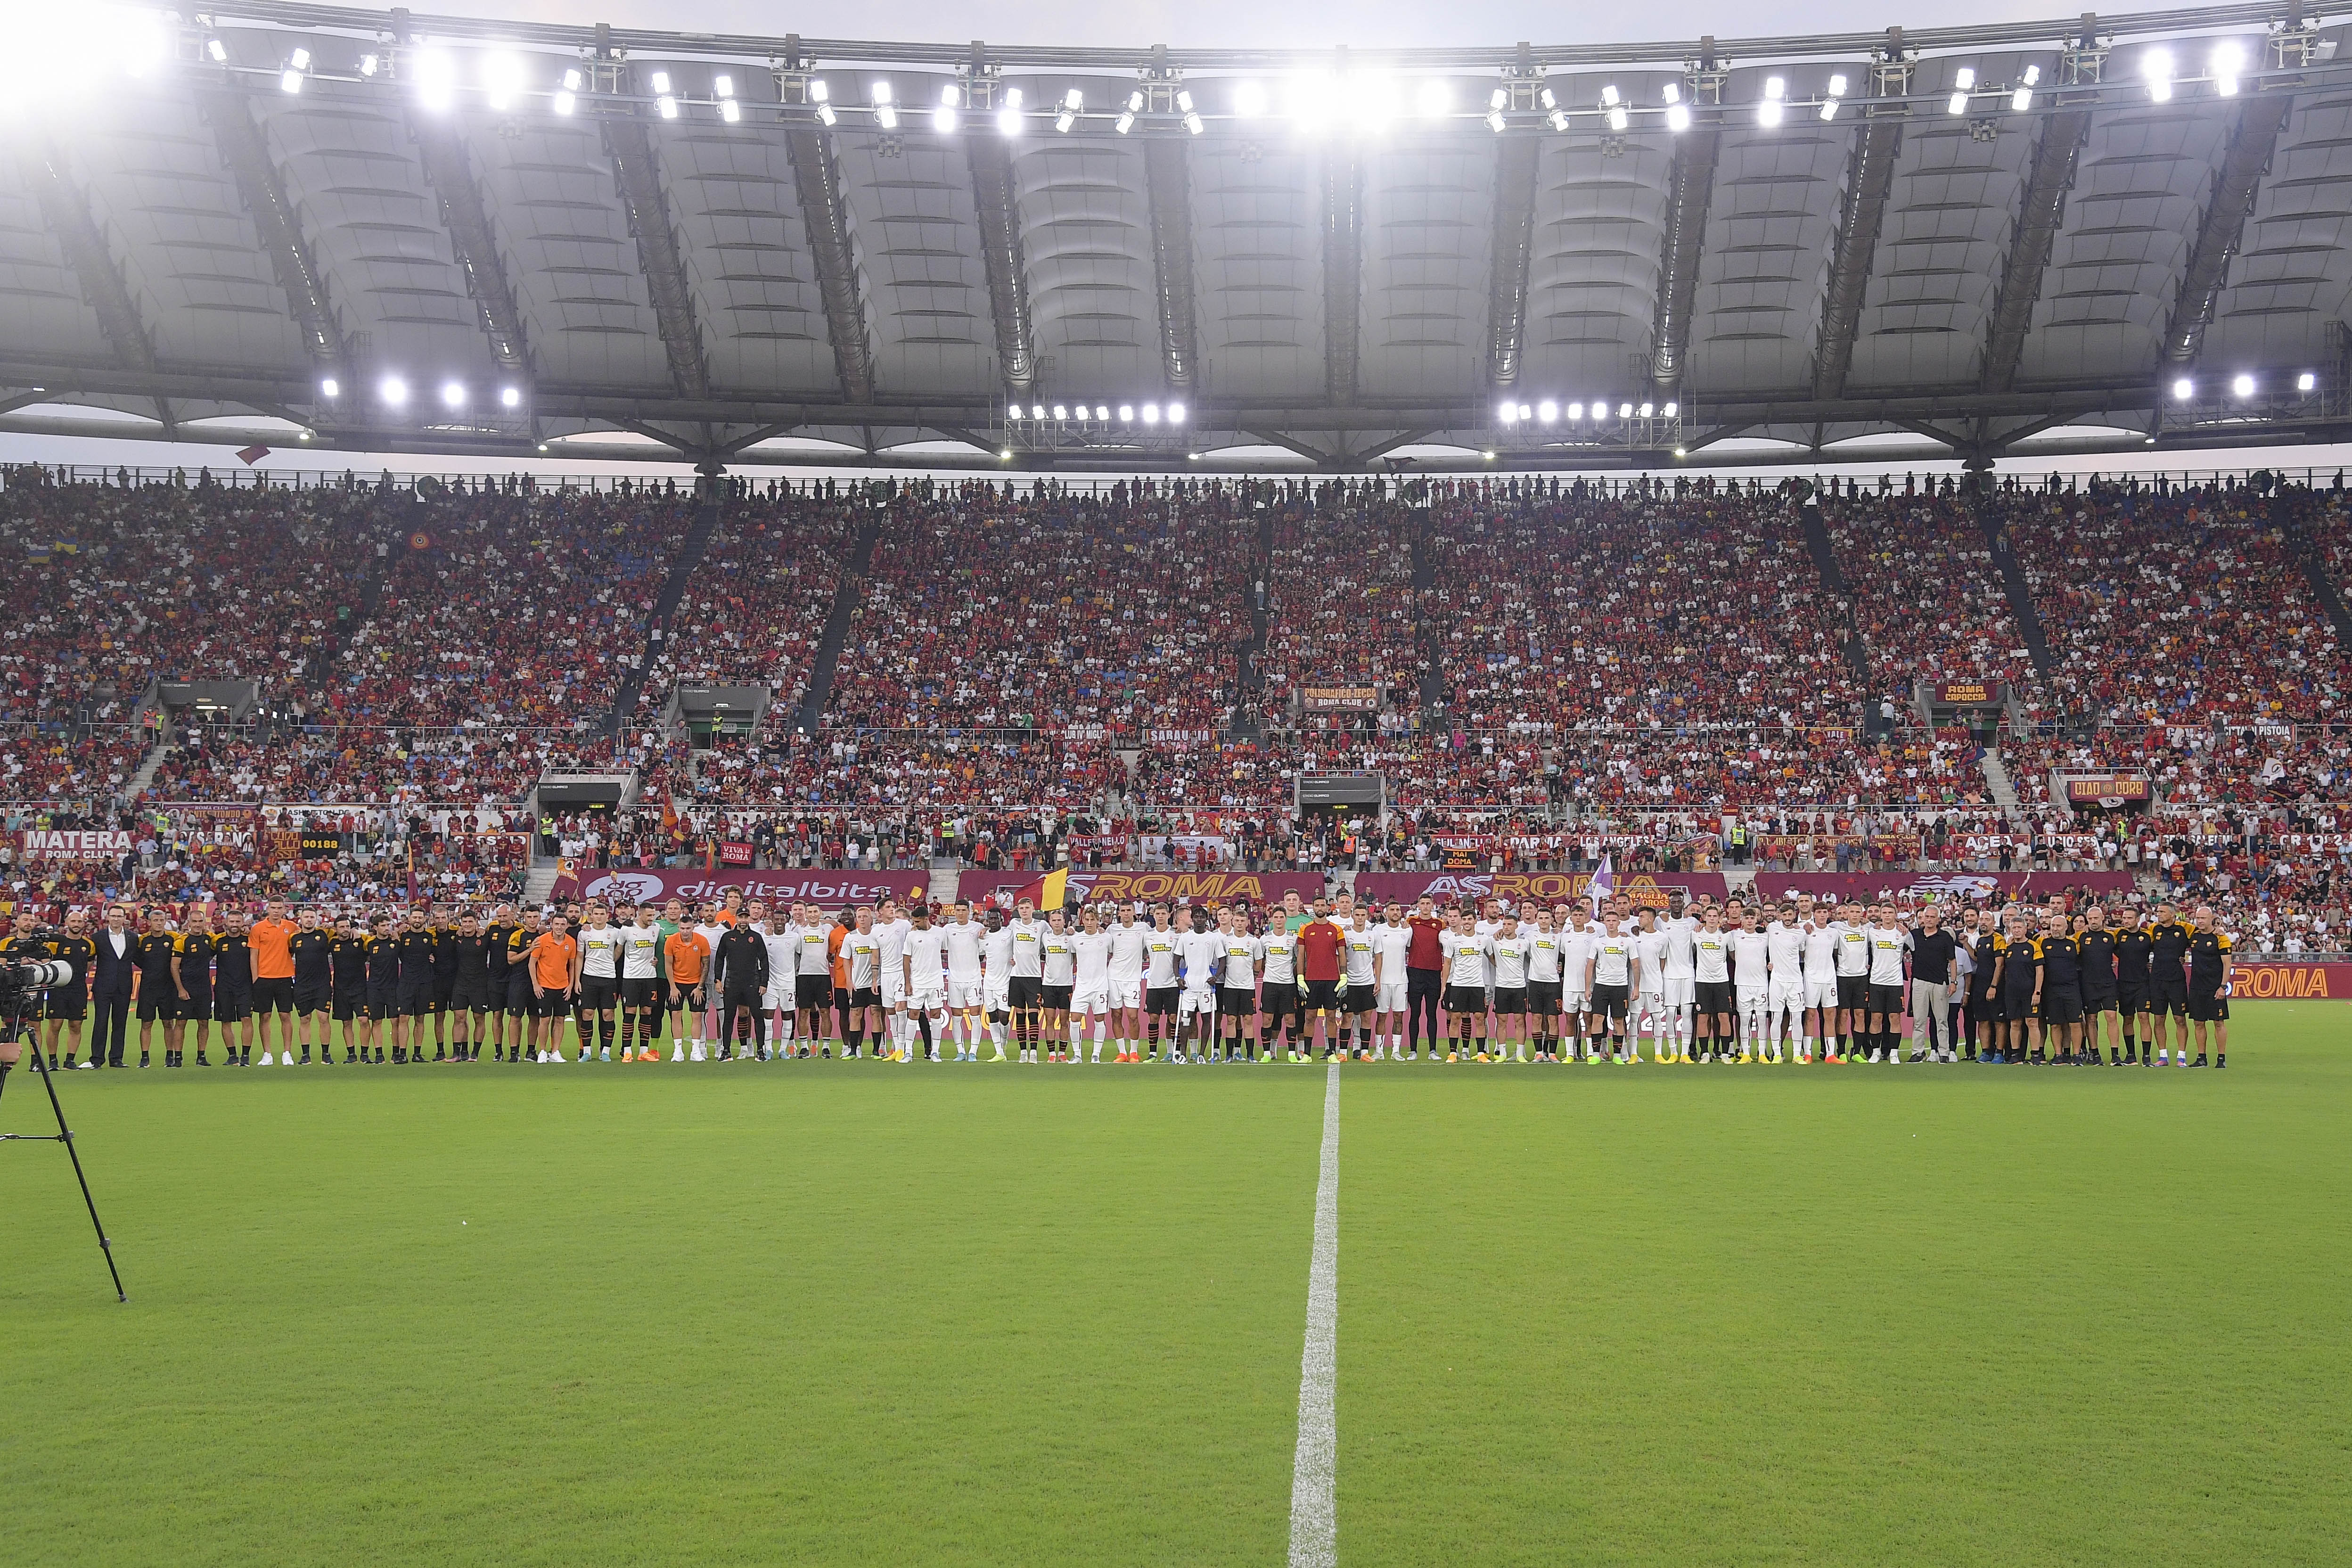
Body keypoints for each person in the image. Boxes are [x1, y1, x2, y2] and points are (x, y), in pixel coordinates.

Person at [712, 913, 769, 1061]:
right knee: (729, 1018)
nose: (743, 921)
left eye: (746, 918)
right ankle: (726, 1051)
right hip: (732, 984)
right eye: (741, 918)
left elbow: (764, 960)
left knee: (758, 1017)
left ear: (749, 919)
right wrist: (718, 980)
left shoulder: (756, 937)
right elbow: (719, 958)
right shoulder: (728, 937)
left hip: (753, 983)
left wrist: (764, 983)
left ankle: (761, 1051)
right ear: (736, 919)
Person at [43, 909, 94, 1071]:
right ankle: (53, 1061)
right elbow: (46, 962)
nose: (76, 924)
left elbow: (88, 966)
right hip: (59, 989)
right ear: (66, 923)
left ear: (84, 924)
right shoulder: (56, 942)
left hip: (78, 989)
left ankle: (70, 1060)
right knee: (56, 1024)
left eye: (79, 922)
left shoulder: (89, 944)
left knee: (76, 1025)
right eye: (73, 921)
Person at [249, 898, 299, 1064]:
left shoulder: (291, 927)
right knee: (265, 1016)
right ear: (267, 909)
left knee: (286, 1015)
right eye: (273, 908)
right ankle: (267, 1054)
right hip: (264, 978)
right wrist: (256, 979)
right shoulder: (258, 929)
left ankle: (287, 1053)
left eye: (279, 908)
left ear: (284, 909)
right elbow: (253, 955)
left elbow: (306, 936)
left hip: (284, 977)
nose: (276, 911)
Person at [1439, 908, 1492, 1062]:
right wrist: (1444, 986)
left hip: (1477, 985)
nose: (1467, 922)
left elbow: (1492, 958)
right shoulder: (1453, 941)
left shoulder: (1484, 940)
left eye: (1470, 919)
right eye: (1465, 920)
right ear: (1461, 922)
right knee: (1455, 1018)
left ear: (1475, 921)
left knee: (1479, 1018)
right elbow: (1447, 964)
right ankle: (1453, 1053)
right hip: (1458, 984)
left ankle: (1481, 1053)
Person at [88, 904, 136, 1069]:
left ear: (125, 918)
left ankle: (116, 1058)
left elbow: (139, 959)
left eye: (119, 916)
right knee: (101, 1022)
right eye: (113, 916)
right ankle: (97, 1059)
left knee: (120, 1023)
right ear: (107, 917)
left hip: (124, 986)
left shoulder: (133, 938)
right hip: (103, 986)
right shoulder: (97, 938)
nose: (116, 919)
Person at [1906, 905, 1957, 1062]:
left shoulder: (1945, 937)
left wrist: (1953, 982)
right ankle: (1918, 1052)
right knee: (1919, 1020)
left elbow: (1952, 961)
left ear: (1938, 920)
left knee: (1942, 1020)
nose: (1928, 919)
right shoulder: (1914, 935)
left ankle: (1944, 1052)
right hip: (1919, 981)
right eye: (1926, 917)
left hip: (1939, 982)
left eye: (1932, 917)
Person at [2146, 901, 2194, 1063]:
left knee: (2179, 1019)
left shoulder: (2184, 929)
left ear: (2173, 914)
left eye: (2162, 912)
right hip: (2157, 980)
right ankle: (2163, 1056)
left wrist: (2185, 957)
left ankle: (2182, 1056)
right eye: (2158, 912)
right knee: (2159, 1019)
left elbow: (2201, 938)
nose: (2159, 914)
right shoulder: (2154, 929)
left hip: (2176, 981)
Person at [2185, 903, 2232, 1068]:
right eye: (2198, 918)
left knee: (2218, 1022)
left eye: (2203, 918)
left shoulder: (2221, 937)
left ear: (2212, 919)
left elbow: (2227, 965)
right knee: (2198, 1022)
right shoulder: (2193, 935)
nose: (2200, 921)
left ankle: (2221, 1058)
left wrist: (2223, 986)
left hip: (2214, 987)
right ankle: (2201, 1058)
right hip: (2197, 986)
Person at [1585, 912, 1635, 1063]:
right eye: (1609, 921)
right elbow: (1590, 966)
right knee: (1598, 1018)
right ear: (1604, 923)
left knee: (1619, 1020)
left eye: (1614, 921)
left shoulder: (1627, 942)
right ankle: (1595, 1055)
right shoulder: (1598, 942)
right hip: (1601, 986)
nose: (1611, 923)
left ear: (1619, 923)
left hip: (1620, 987)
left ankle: (1618, 1055)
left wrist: (1637, 987)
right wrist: (1588, 988)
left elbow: (1636, 965)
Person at [172, 904, 218, 1068]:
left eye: (201, 921)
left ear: (205, 923)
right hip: (186, 988)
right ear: (189, 923)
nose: (198, 924)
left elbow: (223, 943)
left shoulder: (210, 939)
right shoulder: (182, 941)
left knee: (204, 1023)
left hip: (204, 989)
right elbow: (174, 967)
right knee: (181, 1022)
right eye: (195, 921)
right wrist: (180, 989)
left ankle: (201, 1056)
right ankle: (178, 1058)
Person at [528, 914, 578, 1063]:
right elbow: (532, 964)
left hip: (563, 987)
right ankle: (543, 1051)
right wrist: (536, 984)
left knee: (560, 1019)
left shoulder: (571, 942)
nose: (559, 927)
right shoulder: (542, 940)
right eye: (557, 924)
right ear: (552, 924)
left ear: (566, 926)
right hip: (545, 986)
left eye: (562, 925)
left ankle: (555, 1051)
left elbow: (572, 965)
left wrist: (570, 985)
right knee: (544, 1019)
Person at [942, 901, 988, 1062]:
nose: (960, 913)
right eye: (958, 910)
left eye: (963, 910)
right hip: (955, 979)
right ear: (954, 912)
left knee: (975, 1016)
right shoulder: (948, 929)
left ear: (969, 911)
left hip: (974, 979)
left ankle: (973, 1051)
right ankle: (961, 1051)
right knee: (956, 1016)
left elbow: (986, 947)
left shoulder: (977, 928)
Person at [289, 906, 335, 1064]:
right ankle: (305, 1055)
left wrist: (355, 932)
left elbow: (345, 934)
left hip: (322, 984)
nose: (309, 920)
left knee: (323, 1018)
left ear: (316, 919)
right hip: (302, 985)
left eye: (312, 917)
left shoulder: (324, 934)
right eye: (306, 917)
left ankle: (326, 1054)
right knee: (305, 1019)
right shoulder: (294, 939)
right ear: (300, 919)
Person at [618, 905, 664, 1062]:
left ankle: (644, 1051)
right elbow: (618, 949)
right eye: (649, 915)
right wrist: (611, 967)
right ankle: (627, 1051)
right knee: (630, 1012)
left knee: (647, 1012)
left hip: (650, 977)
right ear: (640, 914)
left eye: (654, 915)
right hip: (631, 977)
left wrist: (657, 958)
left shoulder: (656, 928)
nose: (652, 918)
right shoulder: (627, 929)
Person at [448, 911, 495, 1063]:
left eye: (470, 922)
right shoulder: (457, 937)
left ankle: (474, 1053)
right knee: (459, 1018)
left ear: (476, 922)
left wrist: (483, 929)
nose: (467, 925)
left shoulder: (484, 936)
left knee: (479, 1018)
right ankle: (457, 1053)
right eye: (465, 922)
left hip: (480, 984)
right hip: (461, 984)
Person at [903, 903, 948, 1062]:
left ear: (925, 919)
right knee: (913, 1015)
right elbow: (906, 960)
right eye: (913, 922)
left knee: (936, 1015)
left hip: (936, 982)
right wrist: (908, 983)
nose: (914, 925)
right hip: (918, 983)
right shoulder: (911, 936)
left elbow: (950, 950)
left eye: (917, 922)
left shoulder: (941, 933)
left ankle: (935, 1052)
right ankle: (908, 1052)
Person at [666, 912, 713, 1062]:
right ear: (679, 928)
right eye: (682, 928)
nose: (685, 931)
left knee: (697, 1016)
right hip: (677, 983)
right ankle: (678, 1051)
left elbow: (706, 964)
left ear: (693, 927)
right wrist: (673, 987)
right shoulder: (672, 941)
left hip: (696, 983)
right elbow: (668, 964)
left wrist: (700, 987)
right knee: (676, 1015)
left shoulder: (701, 941)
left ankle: (695, 1051)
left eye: (688, 928)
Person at [2076, 904, 2120, 1066]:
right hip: (2088, 984)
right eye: (2091, 919)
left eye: (2096, 918)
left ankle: (2115, 1054)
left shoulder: (2111, 936)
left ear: (2103, 918)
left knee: (2111, 1016)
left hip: (2108, 983)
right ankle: (2094, 1053)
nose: (2093, 921)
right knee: (2092, 1019)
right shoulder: (2080, 937)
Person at [1106, 900, 1148, 1062]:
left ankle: (1134, 1052)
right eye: (1122, 911)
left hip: (1132, 980)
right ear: (1119, 913)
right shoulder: (1112, 930)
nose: (1125, 913)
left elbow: (1157, 936)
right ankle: (1122, 1053)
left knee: (1133, 1017)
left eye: (1128, 910)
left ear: (1133, 912)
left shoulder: (1143, 928)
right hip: (1114, 978)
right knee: (1116, 1015)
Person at [1070, 906, 1114, 1063]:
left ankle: (1096, 1055)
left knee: (1099, 1019)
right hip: (1081, 986)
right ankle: (1077, 1055)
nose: (1089, 923)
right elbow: (1071, 958)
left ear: (1098, 921)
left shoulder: (1106, 938)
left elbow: (1115, 953)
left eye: (1092, 920)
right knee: (1075, 1019)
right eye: (1087, 920)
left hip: (1100, 986)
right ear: (1082, 920)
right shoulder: (1075, 939)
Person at [1690, 906, 1733, 1063]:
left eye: (1715, 916)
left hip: (1722, 981)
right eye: (1709, 916)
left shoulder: (1727, 935)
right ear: (1704, 917)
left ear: (1720, 918)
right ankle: (1705, 1053)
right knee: (1703, 1017)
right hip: (1702, 981)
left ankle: (1726, 1054)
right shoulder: (1696, 934)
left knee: (1724, 1016)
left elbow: (1734, 955)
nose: (1712, 919)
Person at [1404, 895, 1445, 1059]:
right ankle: (1413, 1050)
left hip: (1434, 973)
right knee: (1415, 1013)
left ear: (1433, 905)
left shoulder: (1440, 924)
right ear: (1418, 905)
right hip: (1415, 972)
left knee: (1431, 1013)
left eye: (1429, 904)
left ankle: (1432, 1051)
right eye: (1423, 904)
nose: (1426, 906)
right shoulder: (1411, 922)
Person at [1006, 897, 1046, 1064]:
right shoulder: (1014, 924)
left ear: (1033, 909)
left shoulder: (1042, 925)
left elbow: (1056, 936)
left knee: (1034, 1015)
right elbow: (1003, 940)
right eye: (1021, 908)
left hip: (1034, 977)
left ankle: (1034, 1052)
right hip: (1017, 976)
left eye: (1027, 908)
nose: (1024, 911)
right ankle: (1023, 1052)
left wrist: (1071, 929)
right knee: (1020, 1015)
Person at [215, 908, 257, 1066]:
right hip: (224, 988)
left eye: (238, 922)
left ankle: (245, 1056)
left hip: (245, 987)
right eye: (232, 921)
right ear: (226, 922)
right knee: (226, 1021)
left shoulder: (250, 940)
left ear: (243, 923)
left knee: (246, 1019)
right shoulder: (218, 941)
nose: (234, 924)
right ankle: (232, 1056)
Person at [1141, 905, 1182, 1063]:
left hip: (1172, 984)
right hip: (1154, 984)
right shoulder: (1148, 936)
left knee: (1173, 1018)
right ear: (1153, 915)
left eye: (1163, 914)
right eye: (1158, 914)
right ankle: (1153, 1053)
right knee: (1153, 1018)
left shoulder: (1176, 935)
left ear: (1168, 915)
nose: (1160, 917)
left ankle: (1176, 1052)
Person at [1372, 902, 1413, 1060]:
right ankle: (1379, 1051)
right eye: (1392, 910)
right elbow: (1376, 954)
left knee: (1398, 1017)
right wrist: (1378, 979)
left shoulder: (1407, 930)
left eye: (1398, 910)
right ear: (1386, 913)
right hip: (1383, 981)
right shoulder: (1378, 930)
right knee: (1381, 1016)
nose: (1395, 912)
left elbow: (1409, 949)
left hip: (1401, 981)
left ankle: (1396, 1050)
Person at [330, 912, 371, 1064]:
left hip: (360, 989)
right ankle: (351, 1054)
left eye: (348, 926)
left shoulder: (360, 941)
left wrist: (357, 931)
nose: (345, 929)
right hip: (341, 990)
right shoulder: (332, 943)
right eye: (342, 927)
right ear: (336, 929)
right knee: (347, 1022)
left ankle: (365, 1054)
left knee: (363, 1020)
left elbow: (374, 940)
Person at [1037, 908, 1076, 1064]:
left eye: (1060, 920)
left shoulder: (1071, 938)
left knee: (1065, 1021)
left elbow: (1078, 955)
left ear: (1064, 922)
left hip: (1066, 985)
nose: (1057, 923)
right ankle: (1052, 1053)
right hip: (1048, 985)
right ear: (1050, 923)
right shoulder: (1045, 938)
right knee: (1050, 1020)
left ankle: (1063, 1053)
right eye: (1054, 920)